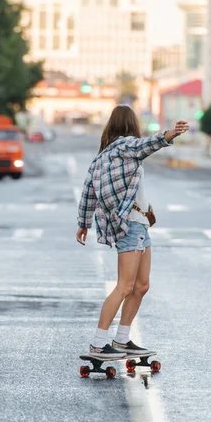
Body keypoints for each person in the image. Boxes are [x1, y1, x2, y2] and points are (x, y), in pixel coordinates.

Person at [76, 105, 189, 359]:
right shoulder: (125, 146)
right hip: (131, 224)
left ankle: (122, 339)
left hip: (140, 224)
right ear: (130, 125)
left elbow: (88, 191)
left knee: (141, 285)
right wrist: (170, 134)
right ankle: (97, 343)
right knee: (125, 286)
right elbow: (146, 145)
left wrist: (83, 223)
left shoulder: (103, 156)